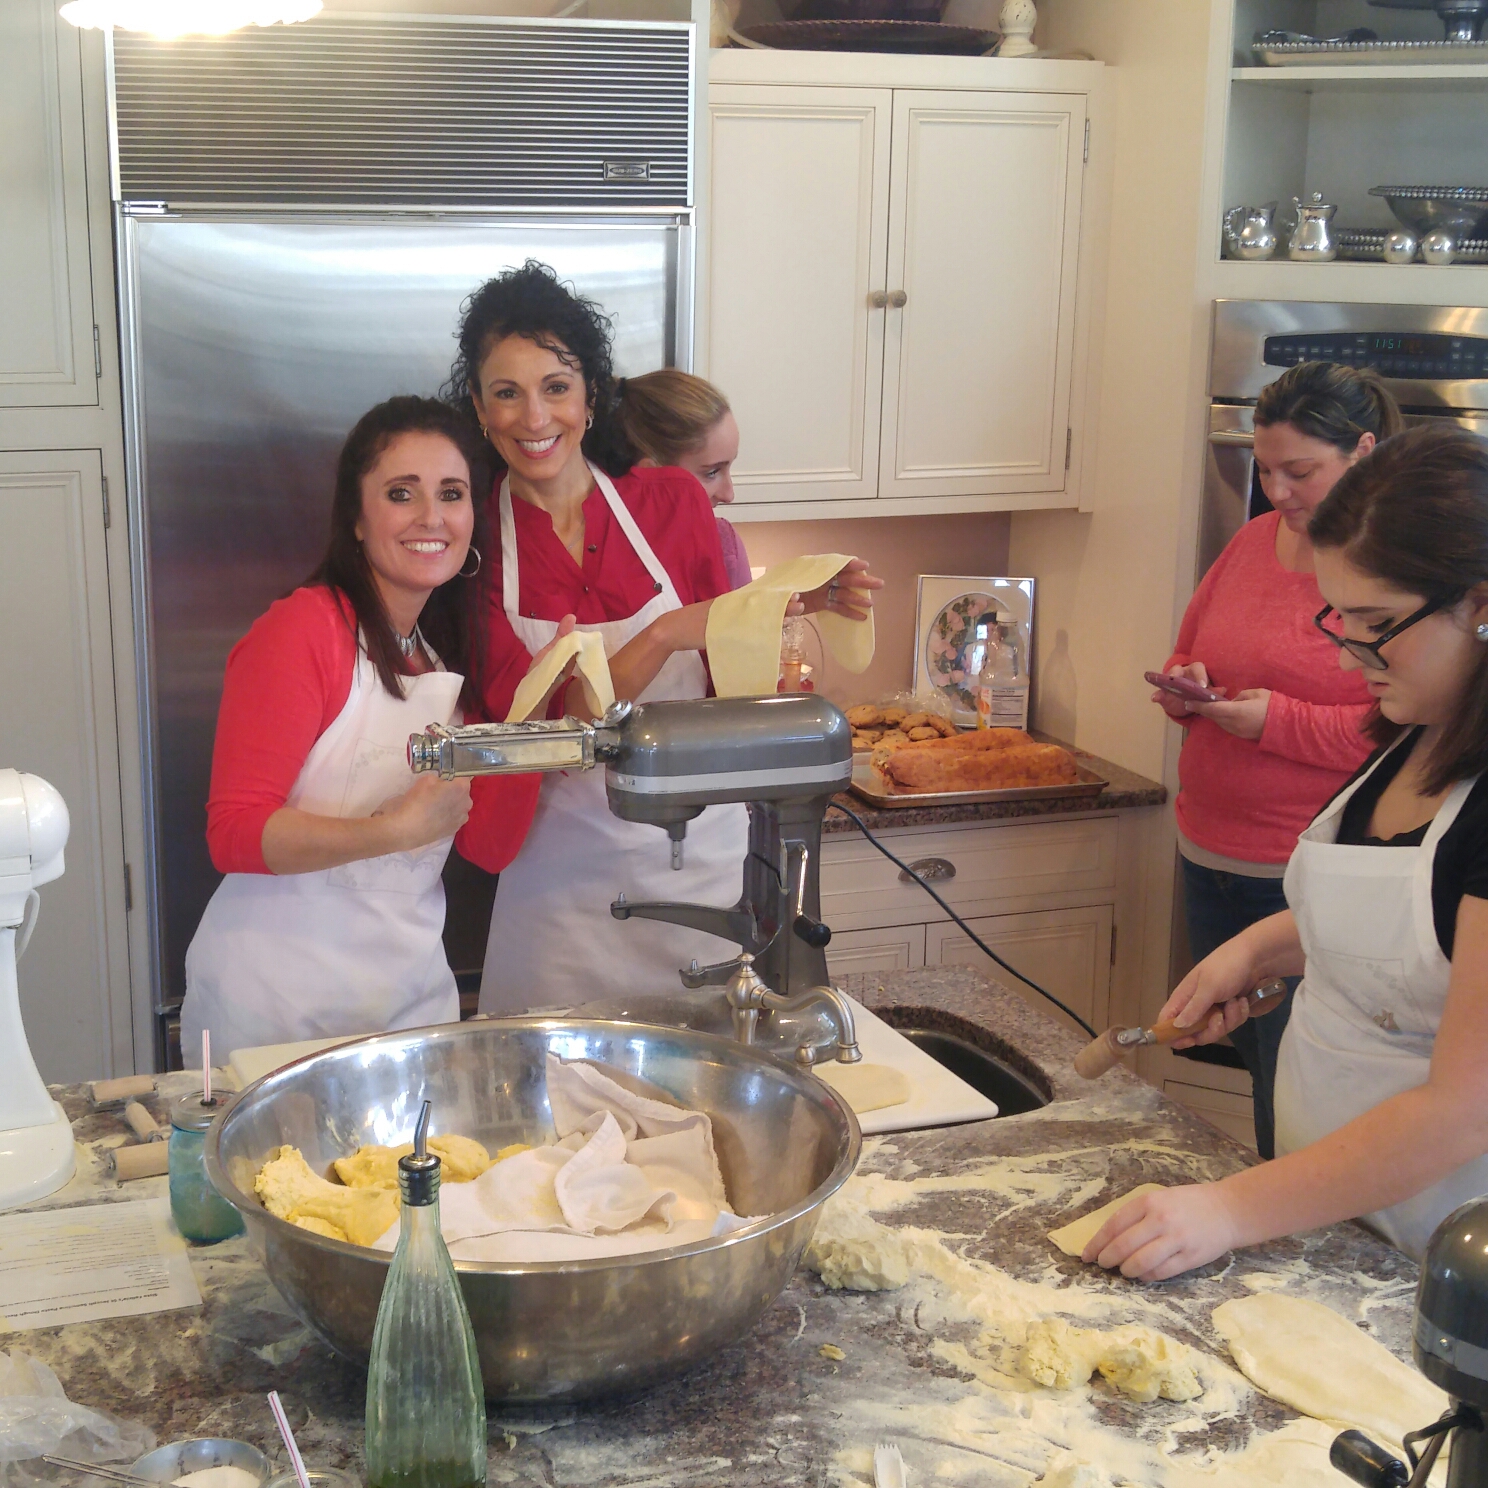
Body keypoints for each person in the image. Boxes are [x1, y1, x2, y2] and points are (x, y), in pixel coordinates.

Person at [1091, 425, 1488, 1279]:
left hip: (1443, 1258)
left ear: (1482, 606)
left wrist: (1232, 1208)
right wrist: (1259, 949)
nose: (1348, 656)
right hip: (1332, 1219)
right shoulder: (1417, 728)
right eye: (1340, 616)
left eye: (1377, 622)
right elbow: (1417, 926)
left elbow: (1465, 1109)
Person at [446, 261, 879, 1014]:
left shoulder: (673, 503)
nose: (534, 417)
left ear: (590, 396)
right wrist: (670, 630)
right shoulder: (473, 539)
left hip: (700, 871)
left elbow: (726, 684)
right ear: (481, 411)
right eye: (506, 393)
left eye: (556, 386)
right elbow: (563, 725)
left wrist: (775, 609)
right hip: (560, 896)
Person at [181, 396, 541, 1056]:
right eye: (402, 493)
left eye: (452, 493)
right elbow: (232, 833)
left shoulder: (441, 659)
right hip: (278, 1009)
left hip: (409, 1003)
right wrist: (391, 832)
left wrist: (535, 714)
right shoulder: (304, 630)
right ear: (356, 517)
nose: (432, 516)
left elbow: (487, 848)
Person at [1152, 362, 1401, 1156]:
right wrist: (1188, 688)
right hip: (1211, 854)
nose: (1277, 490)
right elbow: (1191, 650)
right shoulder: (1254, 541)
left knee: (1299, 1094)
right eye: (1265, 469)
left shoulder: (1393, 572)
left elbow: (1396, 729)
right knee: (1261, 1068)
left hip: (1303, 868)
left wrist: (1273, 722)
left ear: (1364, 451)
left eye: (1300, 470)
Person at [614, 368, 751, 589]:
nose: (729, 495)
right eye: (712, 472)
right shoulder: (595, 557)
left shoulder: (725, 547)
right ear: (651, 476)